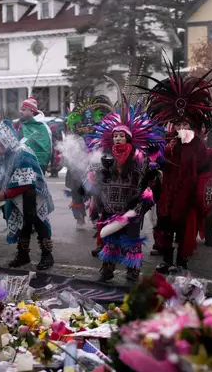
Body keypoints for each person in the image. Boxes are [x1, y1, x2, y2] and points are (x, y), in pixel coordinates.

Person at [139, 60, 212, 273]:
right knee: (165, 227)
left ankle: (182, 260)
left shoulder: (198, 145)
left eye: (186, 124)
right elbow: (156, 163)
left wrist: (200, 191)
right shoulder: (167, 142)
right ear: (173, 125)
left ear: (192, 126)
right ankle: (167, 260)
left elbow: (206, 169)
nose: (182, 127)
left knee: (184, 231)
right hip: (168, 194)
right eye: (179, 124)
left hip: (189, 194)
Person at [84, 93, 164, 282]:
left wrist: (151, 176)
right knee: (110, 239)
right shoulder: (105, 155)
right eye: (116, 136)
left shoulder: (138, 156)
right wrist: (100, 173)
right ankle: (107, 269)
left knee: (132, 240)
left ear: (128, 138)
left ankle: (132, 269)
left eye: (121, 136)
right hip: (110, 205)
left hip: (131, 206)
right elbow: (94, 177)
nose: (118, 139)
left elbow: (147, 179)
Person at [0, 120, 55, 270]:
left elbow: (27, 182)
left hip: (33, 194)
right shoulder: (9, 153)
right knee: (23, 224)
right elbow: (4, 173)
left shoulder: (21, 152)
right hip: (19, 196)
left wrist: (5, 194)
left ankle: (47, 255)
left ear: (5, 140)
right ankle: (23, 254)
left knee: (38, 222)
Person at [64, 96, 112, 230]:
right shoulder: (75, 129)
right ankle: (80, 218)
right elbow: (70, 142)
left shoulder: (103, 127)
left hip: (96, 162)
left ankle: (96, 216)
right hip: (77, 162)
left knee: (97, 192)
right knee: (76, 191)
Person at [16, 97, 52, 173]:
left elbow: (48, 148)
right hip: (21, 163)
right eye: (20, 109)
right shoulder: (19, 124)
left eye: (23, 110)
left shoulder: (42, 127)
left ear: (32, 111)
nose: (20, 112)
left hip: (38, 165)